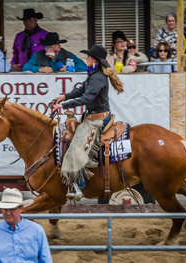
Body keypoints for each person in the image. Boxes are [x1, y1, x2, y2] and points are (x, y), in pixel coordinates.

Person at [53, 45, 124, 199]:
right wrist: (64, 97)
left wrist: (63, 106)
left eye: (89, 57)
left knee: (76, 146)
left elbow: (86, 98)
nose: (86, 59)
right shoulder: (94, 75)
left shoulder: (98, 78)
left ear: (95, 60)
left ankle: (77, 185)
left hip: (97, 120)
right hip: (91, 116)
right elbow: (81, 90)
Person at [0, 188, 52, 263]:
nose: (8, 213)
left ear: (21, 208)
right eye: (5, 209)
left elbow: (46, 260)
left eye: (12, 209)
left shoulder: (37, 230)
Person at [22, 32, 86, 73]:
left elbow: (84, 67)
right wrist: (40, 69)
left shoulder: (68, 55)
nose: (48, 50)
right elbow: (26, 68)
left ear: (58, 48)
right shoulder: (37, 55)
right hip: (43, 87)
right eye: (46, 48)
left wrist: (70, 69)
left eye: (51, 48)